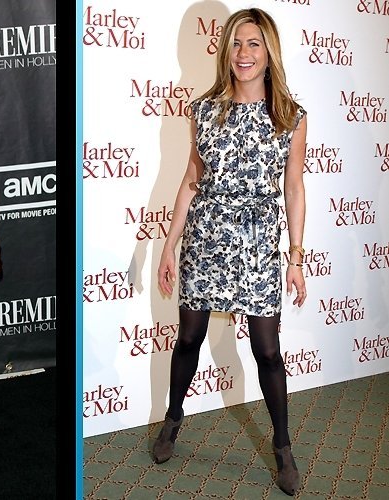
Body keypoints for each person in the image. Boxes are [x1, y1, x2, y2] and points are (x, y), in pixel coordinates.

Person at [153, 8, 306, 496]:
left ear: (269, 52)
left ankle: (282, 446)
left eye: (254, 43)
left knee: (267, 350)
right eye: (236, 43)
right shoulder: (204, 109)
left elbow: (294, 188)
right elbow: (191, 178)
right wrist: (169, 245)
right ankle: (173, 417)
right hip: (206, 239)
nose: (243, 53)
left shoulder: (290, 117)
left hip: (259, 245)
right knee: (189, 338)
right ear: (226, 51)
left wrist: (296, 257)